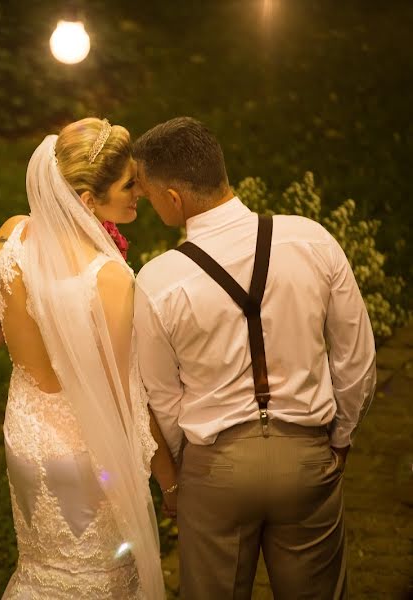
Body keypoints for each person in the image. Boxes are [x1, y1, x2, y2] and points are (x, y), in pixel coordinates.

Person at [132, 117, 376, 600]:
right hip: (306, 455)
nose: (144, 200)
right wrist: (340, 437)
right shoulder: (310, 239)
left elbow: (162, 394)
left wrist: (188, 471)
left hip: (216, 469)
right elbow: (356, 355)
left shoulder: (157, 280)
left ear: (174, 199)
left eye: (148, 192)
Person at [0, 117, 176, 599]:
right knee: (99, 577)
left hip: (25, 436)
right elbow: (129, 401)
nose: (139, 190)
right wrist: (169, 479)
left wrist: (23, 326)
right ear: (86, 202)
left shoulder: (11, 235)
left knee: (41, 569)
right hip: (87, 453)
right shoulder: (109, 278)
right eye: (128, 184)